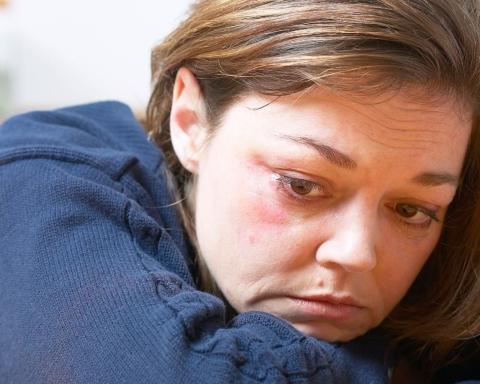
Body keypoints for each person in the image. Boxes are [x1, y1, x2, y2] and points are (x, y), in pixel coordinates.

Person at [0, 0, 479, 382]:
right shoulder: (42, 178)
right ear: (189, 121)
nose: (357, 254)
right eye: (302, 184)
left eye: (412, 210)